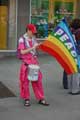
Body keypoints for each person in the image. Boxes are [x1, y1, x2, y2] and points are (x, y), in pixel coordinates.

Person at [17, 24, 49, 106]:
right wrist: (32, 47)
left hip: (34, 63)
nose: (34, 34)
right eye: (32, 32)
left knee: (38, 82)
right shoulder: (22, 39)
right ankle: (26, 99)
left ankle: (41, 98)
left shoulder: (34, 39)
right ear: (28, 30)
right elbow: (22, 52)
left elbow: (35, 49)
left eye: (34, 32)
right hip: (26, 64)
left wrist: (39, 46)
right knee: (25, 83)